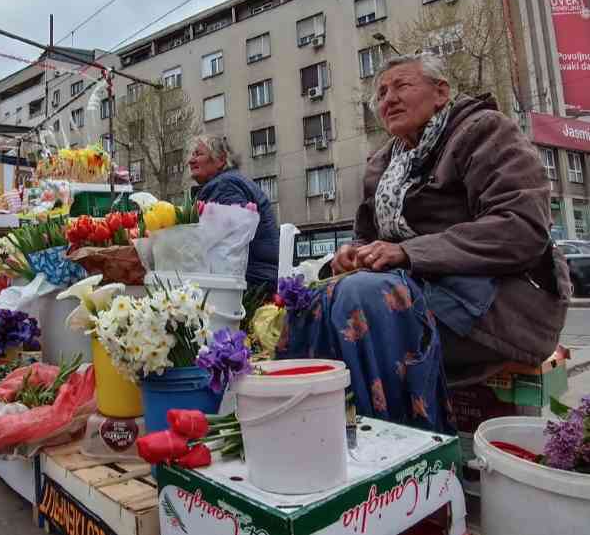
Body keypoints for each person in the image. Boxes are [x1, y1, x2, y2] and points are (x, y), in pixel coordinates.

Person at [278, 54, 569, 433]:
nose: (389, 99)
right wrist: (353, 253)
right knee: (305, 307)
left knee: (360, 300)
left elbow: (521, 227)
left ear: (441, 92)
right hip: (418, 293)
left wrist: (408, 253)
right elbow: (368, 235)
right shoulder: (384, 162)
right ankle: (314, 437)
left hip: (498, 302)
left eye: (402, 86)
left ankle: (399, 448)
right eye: (382, 93)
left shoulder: (484, 132)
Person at [187, 134, 280, 288]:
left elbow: (226, 248)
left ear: (221, 160)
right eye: (192, 155)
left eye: (198, 154)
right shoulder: (229, 182)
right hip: (259, 278)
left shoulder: (225, 185)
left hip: (250, 285)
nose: (190, 161)